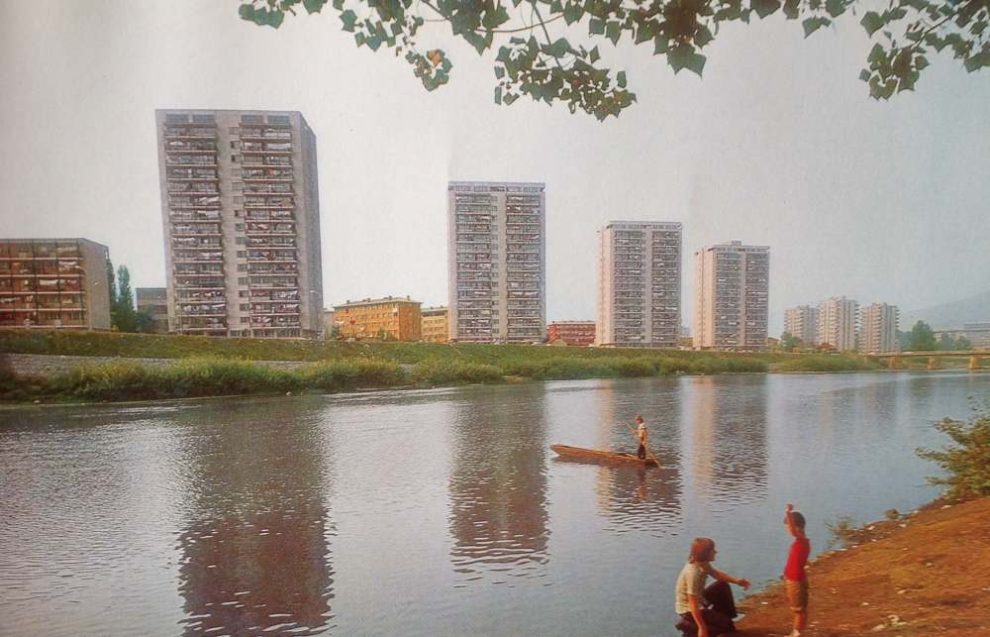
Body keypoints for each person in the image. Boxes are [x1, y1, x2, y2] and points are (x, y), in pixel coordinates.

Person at [674, 537, 751, 637]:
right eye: (713, 550)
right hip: (688, 609)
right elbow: (692, 603)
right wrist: (702, 627)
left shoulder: (702, 563)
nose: (716, 552)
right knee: (728, 627)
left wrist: (737, 581)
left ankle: (721, 618)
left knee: (722, 585)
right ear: (705, 554)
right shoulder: (694, 573)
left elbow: (716, 574)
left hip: (699, 599)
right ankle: (688, 626)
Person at [783, 503, 810, 637]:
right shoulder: (803, 542)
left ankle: (796, 634)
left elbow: (794, 530)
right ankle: (797, 632)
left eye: (788, 527)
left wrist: (788, 513)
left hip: (796, 580)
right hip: (795, 578)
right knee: (800, 609)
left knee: (798, 610)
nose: (788, 530)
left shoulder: (801, 540)